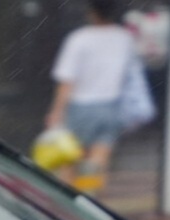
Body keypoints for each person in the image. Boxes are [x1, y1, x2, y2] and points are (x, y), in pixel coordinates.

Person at [45, 0, 138, 193]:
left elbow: (67, 80)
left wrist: (56, 112)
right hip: (111, 106)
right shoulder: (124, 38)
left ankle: (68, 200)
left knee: (69, 159)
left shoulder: (79, 39)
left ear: (91, 13)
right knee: (100, 157)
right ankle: (91, 196)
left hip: (81, 106)